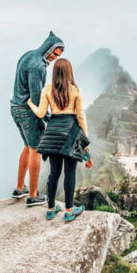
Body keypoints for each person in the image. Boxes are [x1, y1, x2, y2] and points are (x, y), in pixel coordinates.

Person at [27, 58, 89, 222]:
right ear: (70, 72)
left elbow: (41, 114)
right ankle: (69, 211)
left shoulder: (47, 89)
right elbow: (80, 116)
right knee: (70, 173)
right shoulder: (75, 90)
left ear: (55, 72)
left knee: (54, 173)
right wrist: (85, 138)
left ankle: (50, 208)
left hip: (52, 133)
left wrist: (30, 103)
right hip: (70, 132)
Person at [10, 31, 64, 207]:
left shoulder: (28, 55)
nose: (55, 58)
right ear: (49, 48)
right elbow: (36, 97)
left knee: (27, 146)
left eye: (58, 56)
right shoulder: (38, 66)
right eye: (54, 53)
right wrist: (47, 116)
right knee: (35, 150)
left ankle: (20, 188)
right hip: (28, 112)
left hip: (15, 107)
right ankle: (33, 195)